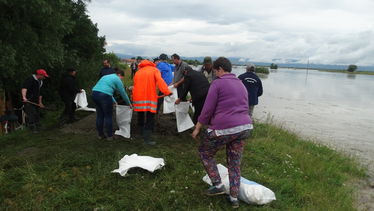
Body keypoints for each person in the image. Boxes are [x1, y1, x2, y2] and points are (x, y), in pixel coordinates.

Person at [192, 57, 252, 209]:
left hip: (223, 128)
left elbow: (208, 108)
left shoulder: (218, 83)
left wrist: (198, 126)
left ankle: (218, 185)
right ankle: (233, 197)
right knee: (234, 163)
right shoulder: (240, 83)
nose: (215, 74)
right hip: (245, 127)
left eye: (215, 71)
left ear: (219, 69)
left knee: (205, 152)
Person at [132, 59, 171, 145]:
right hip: (149, 98)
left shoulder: (138, 72)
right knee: (150, 118)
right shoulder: (155, 70)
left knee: (140, 115)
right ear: (152, 64)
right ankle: (147, 139)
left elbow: (134, 85)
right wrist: (167, 92)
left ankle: (141, 133)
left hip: (138, 98)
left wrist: (133, 98)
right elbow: (160, 81)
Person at [92, 69, 132, 140]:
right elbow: (123, 93)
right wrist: (129, 103)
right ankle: (110, 136)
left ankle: (100, 135)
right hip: (104, 96)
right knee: (108, 116)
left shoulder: (105, 77)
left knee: (100, 115)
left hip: (94, 94)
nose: (121, 80)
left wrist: (114, 101)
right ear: (119, 75)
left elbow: (105, 90)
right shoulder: (117, 79)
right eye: (122, 78)